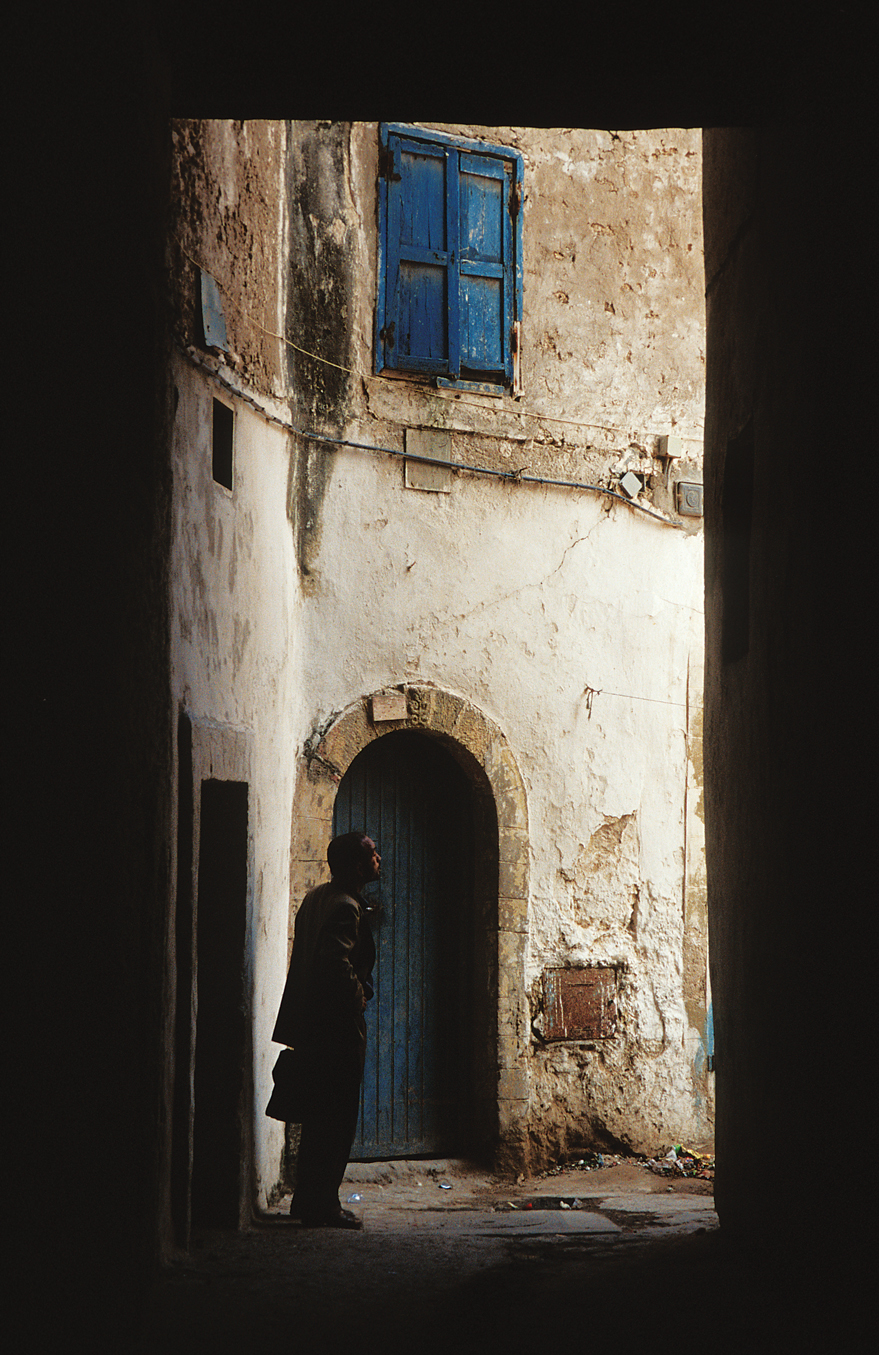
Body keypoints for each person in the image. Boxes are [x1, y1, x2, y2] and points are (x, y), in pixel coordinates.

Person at [271, 831, 379, 1228]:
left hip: (311, 1026)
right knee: (336, 1118)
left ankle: (308, 1200)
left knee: (318, 1117)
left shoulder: (318, 897)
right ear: (355, 865)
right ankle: (324, 1205)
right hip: (336, 1030)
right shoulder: (345, 907)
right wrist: (357, 998)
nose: (378, 859)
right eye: (371, 854)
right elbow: (336, 964)